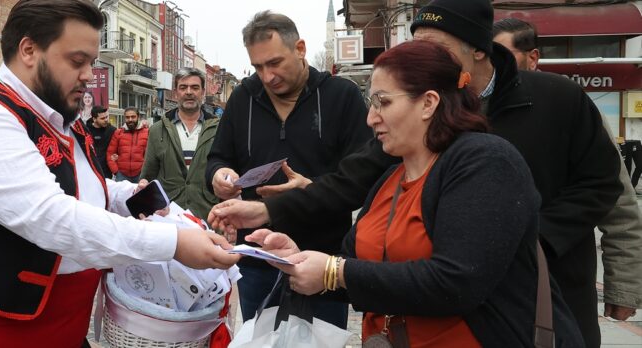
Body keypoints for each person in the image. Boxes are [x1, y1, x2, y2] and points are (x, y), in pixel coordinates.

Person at [209, 1, 623, 346]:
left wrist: (532, 239)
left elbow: (607, 190)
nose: (371, 118)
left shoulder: (505, 140)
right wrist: (292, 241)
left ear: (429, 102)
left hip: (524, 308)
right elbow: (351, 189)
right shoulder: (396, 164)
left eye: (383, 102)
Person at [0, 1, 239, 346]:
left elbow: (83, 188)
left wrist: (127, 197)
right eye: (77, 61)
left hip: (62, 332)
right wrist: (172, 244)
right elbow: (49, 216)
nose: (88, 74)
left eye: (92, 62)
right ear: (28, 50)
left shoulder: (57, 118)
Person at [205, 11, 371, 328]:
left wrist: (312, 186)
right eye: (258, 67)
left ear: (301, 49)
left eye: (275, 63)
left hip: (320, 258)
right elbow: (217, 156)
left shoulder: (342, 97)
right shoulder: (243, 97)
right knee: (260, 338)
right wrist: (219, 174)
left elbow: (363, 178)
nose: (267, 76)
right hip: (257, 258)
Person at [494, 17, 642, 322]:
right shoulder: (472, 110)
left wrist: (623, 288)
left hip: (562, 284)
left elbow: (618, 204)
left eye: (502, 56)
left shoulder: (568, 105)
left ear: (532, 58)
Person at [141, 68, 219, 220]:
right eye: (183, 87)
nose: (189, 92)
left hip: (209, 215)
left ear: (202, 92)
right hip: (169, 217)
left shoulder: (219, 129)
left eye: (195, 87)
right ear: (176, 92)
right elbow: (148, 176)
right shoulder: (158, 130)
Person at [107, 107, 148, 182]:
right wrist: (116, 171)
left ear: (138, 117)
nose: (130, 120)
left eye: (133, 117)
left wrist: (145, 171)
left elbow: (150, 155)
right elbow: (110, 153)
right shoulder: (118, 133)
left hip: (141, 174)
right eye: (127, 117)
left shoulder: (147, 133)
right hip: (121, 175)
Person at [86, 105, 116, 178]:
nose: (106, 120)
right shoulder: (85, 131)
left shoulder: (112, 130)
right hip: (89, 169)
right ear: (94, 119)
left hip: (106, 171)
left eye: (106, 117)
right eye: (102, 118)